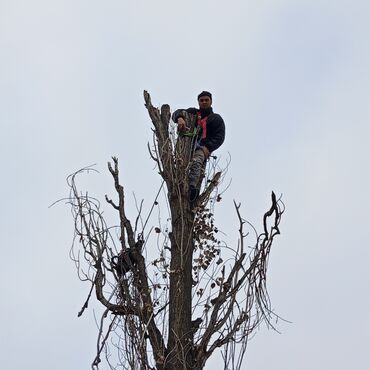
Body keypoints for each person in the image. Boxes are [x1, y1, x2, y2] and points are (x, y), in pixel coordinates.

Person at [172, 91, 225, 202]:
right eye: (201, 100)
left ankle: (192, 189)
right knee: (180, 167)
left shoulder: (216, 119)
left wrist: (208, 147)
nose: (204, 102)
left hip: (202, 147)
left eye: (207, 100)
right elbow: (176, 113)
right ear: (198, 102)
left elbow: (220, 137)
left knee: (196, 163)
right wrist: (180, 118)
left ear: (211, 101)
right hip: (185, 146)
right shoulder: (193, 113)